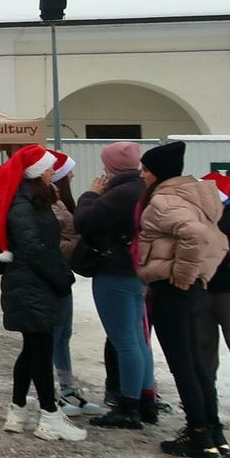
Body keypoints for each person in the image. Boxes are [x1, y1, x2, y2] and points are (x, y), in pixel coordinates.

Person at [137, 140, 230, 458]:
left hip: (173, 291)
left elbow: (196, 236)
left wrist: (183, 275)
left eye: (145, 170)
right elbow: (217, 240)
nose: (142, 175)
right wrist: (199, 275)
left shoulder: (164, 200)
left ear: (157, 172)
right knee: (197, 365)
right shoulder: (195, 197)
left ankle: (198, 434)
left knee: (184, 367)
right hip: (194, 293)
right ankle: (214, 432)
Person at [0, 145, 87, 441]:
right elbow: (32, 247)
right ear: (36, 173)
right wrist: (60, 276)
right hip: (31, 284)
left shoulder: (33, 199)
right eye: (48, 168)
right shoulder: (24, 204)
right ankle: (49, 415)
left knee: (32, 348)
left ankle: (18, 410)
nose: (53, 172)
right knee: (40, 349)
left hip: (32, 283)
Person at [75, 141, 157, 429]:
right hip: (135, 271)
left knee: (125, 342)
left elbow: (84, 221)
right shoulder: (144, 189)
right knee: (138, 339)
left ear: (111, 165)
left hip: (115, 271)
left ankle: (128, 405)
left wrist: (90, 194)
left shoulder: (121, 192)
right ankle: (146, 400)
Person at [46, 153, 100, 414]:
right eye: (69, 172)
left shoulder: (59, 201)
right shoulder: (49, 203)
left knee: (63, 334)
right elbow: (50, 243)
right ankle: (52, 393)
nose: (73, 176)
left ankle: (66, 387)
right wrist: (79, 246)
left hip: (62, 275)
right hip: (51, 277)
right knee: (52, 335)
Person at [199, 172, 230, 389]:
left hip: (228, 289)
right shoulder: (198, 215)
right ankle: (205, 395)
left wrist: (219, 257)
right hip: (202, 287)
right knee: (203, 346)